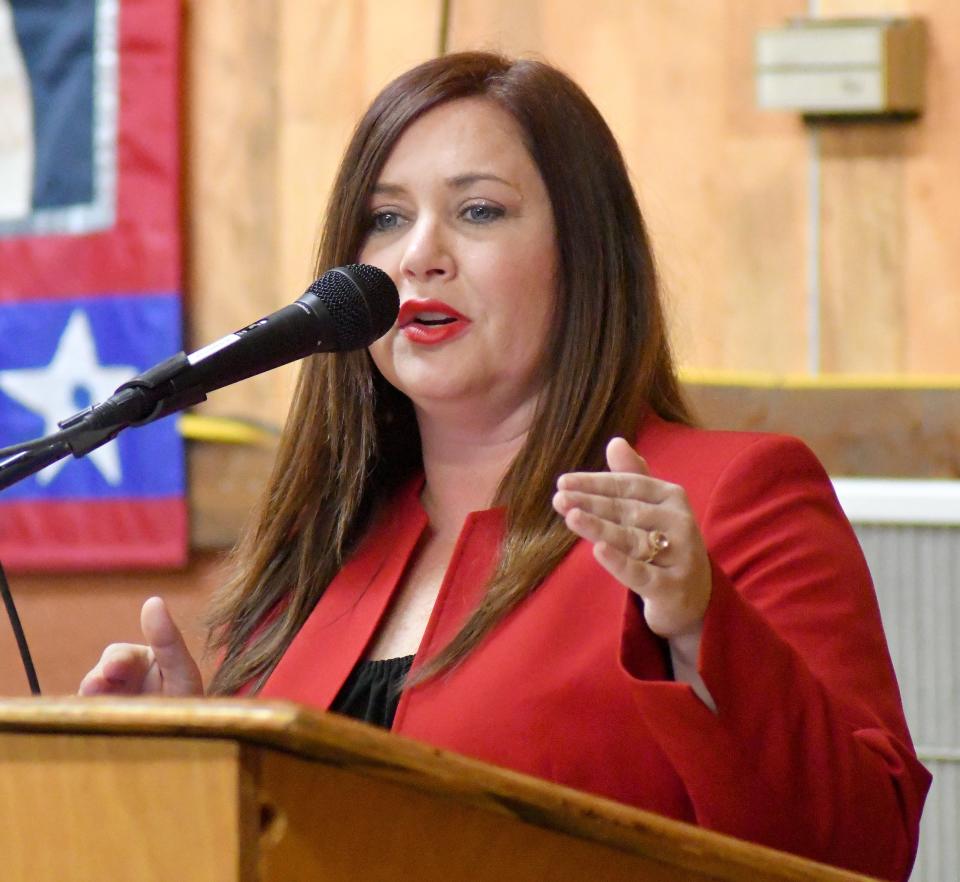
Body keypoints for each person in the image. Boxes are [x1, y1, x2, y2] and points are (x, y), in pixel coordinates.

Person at [78, 52, 929, 880]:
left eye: (478, 211)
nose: (418, 256)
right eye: (386, 218)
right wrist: (192, 761)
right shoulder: (316, 548)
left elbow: (865, 850)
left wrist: (705, 626)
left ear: (584, 255)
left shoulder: (728, 497)